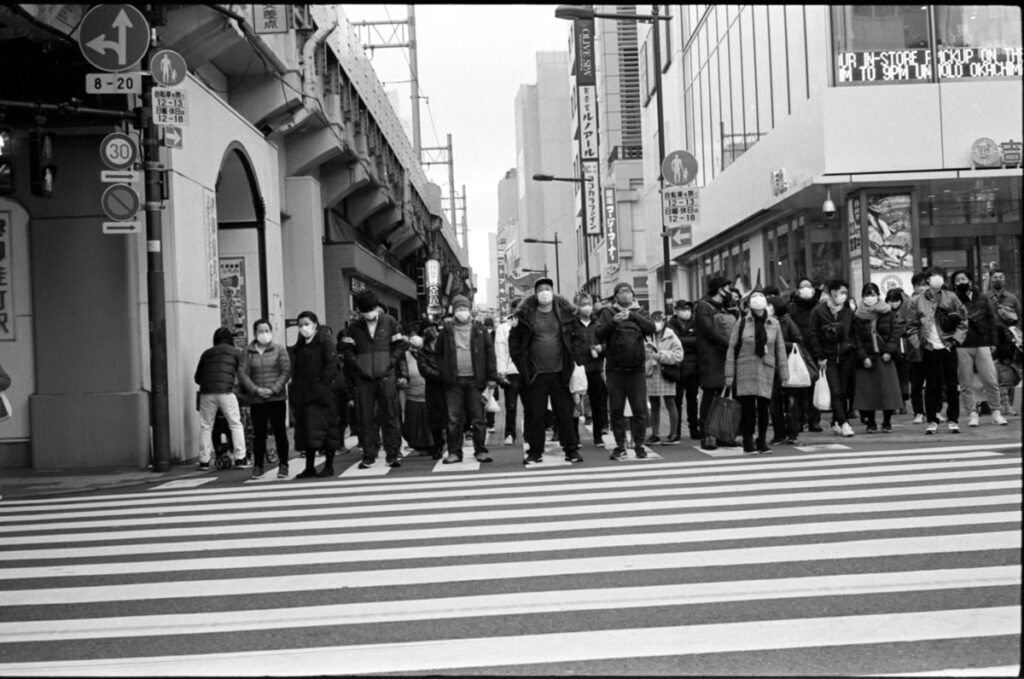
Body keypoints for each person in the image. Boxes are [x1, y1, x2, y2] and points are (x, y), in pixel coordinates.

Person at [509, 278, 585, 465]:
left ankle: (571, 450)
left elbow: (578, 336)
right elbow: (514, 341)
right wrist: (522, 364)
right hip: (535, 374)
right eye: (541, 289)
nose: (544, 292)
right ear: (535, 294)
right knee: (535, 415)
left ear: (553, 292)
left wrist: (574, 357)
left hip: (561, 372)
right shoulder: (525, 314)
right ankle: (535, 452)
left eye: (547, 289)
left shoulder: (566, 312)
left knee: (565, 414)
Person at [339, 290, 407, 469]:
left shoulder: (390, 322)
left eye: (370, 309)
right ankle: (369, 454)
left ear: (376, 307)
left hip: (386, 376)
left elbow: (399, 346)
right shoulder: (354, 327)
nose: (368, 313)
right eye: (364, 310)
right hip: (364, 378)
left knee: (390, 415)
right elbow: (347, 350)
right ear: (359, 310)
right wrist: (358, 367)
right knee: (366, 417)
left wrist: (391, 362)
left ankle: (392, 454)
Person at [432, 295, 497, 464]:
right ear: (454, 310)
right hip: (453, 381)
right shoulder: (446, 330)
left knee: (478, 418)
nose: (462, 312)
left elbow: (490, 354)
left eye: (465, 308)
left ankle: (481, 451)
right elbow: (437, 353)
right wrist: (443, 371)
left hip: (476, 381)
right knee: (454, 420)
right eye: (459, 308)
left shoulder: (480, 329)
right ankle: (454, 452)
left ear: (470, 310)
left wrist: (492, 377)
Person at [595, 281, 655, 460]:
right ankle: (620, 445)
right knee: (616, 409)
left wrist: (632, 316)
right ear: (615, 296)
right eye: (622, 292)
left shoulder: (641, 311)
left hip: (637, 368)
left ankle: (639, 445)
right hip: (614, 369)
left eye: (629, 291)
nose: (626, 295)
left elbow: (651, 328)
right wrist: (614, 322)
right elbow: (599, 334)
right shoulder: (608, 313)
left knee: (639, 409)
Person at [724, 288, 789, 454]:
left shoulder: (773, 323)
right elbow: (732, 348)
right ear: (749, 302)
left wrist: (784, 373)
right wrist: (729, 373)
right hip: (745, 368)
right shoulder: (742, 322)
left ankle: (762, 440)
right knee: (748, 409)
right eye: (754, 296)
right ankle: (748, 440)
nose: (758, 299)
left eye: (761, 296)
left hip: (766, 368)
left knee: (763, 407)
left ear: (766, 302)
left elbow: (780, 348)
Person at [906, 267, 969, 434]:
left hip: (948, 346)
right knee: (932, 386)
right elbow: (911, 326)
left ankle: (953, 419)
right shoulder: (917, 301)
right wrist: (919, 343)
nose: (937, 279)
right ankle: (932, 420)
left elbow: (963, 320)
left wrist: (955, 340)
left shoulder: (951, 297)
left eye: (940, 276)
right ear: (928, 280)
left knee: (952, 384)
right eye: (934, 276)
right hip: (929, 348)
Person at [287, 312, 341, 478]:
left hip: (321, 395)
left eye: (306, 323)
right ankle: (309, 467)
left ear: (315, 324)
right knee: (307, 432)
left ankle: (329, 465)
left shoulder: (325, 341)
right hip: (303, 395)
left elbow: (332, 366)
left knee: (326, 430)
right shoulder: (300, 345)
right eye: (300, 324)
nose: (303, 327)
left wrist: (321, 386)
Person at [950, 269, 1007, 426]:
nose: (960, 282)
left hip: (982, 343)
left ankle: (996, 411)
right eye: (957, 280)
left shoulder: (982, 297)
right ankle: (972, 413)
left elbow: (991, 320)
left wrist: (993, 343)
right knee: (965, 383)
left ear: (969, 280)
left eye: (963, 279)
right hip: (962, 345)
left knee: (991, 380)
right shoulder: (953, 299)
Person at [238, 319, 292, 478]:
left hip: (276, 398)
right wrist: (255, 390)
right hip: (257, 399)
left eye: (266, 330)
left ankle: (283, 464)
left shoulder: (279, 349)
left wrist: (273, 389)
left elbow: (286, 371)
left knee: (279, 431)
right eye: (260, 331)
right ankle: (258, 466)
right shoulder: (247, 352)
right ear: (255, 333)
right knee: (259, 433)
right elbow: (242, 374)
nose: (264, 334)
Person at [851, 283, 905, 433]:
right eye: (867, 294)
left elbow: (895, 333)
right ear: (862, 296)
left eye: (873, 294)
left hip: (885, 357)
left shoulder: (887, 312)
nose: (870, 297)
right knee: (869, 393)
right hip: (868, 358)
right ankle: (871, 422)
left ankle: (887, 421)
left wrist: (889, 351)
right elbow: (856, 339)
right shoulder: (857, 316)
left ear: (878, 296)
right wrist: (863, 357)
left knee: (887, 391)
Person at [694, 275, 739, 450]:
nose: (730, 292)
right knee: (710, 396)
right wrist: (731, 344)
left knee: (725, 395)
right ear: (720, 289)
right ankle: (707, 435)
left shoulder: (724, 307)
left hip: (724, 356)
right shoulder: (703, 307)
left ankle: (723, 434)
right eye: (727, 287)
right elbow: (710, 331)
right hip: (710, 357)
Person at [808, 279, 857, 437]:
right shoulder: (818, 311)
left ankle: (836, 421)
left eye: (845, 293)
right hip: (828, 358)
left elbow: (854, 332)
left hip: (845, 357)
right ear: (833, 292)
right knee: (835, 391)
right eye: (842, 292)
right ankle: (845, 423)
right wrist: (820, 356)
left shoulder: (847, 311)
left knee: (843, 392)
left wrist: (851, 345)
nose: (844, 296)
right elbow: (813, 335)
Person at [194, 326, 247, 470]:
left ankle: (204, 461)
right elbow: (243, 374)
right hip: (226, 392)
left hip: (207, 393)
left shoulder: (207, 353)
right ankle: (241, 458)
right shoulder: (236, 353)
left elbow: (197, 378)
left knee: (206, 426)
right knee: (235, 424)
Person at [572, 292, 608, 447]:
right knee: (575, 404)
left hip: (595, 367)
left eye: (588, 303)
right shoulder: (571, 323)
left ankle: (598, 436)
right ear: (577, 306)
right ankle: (574, 437)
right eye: (582, 304)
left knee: (597, 403)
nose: (586, 306)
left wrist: (601, 348)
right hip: (577, 368)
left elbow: (608, 342)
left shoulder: (598, 323)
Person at [787, 277, 824, 433]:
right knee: (799, 387)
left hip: (815, 350)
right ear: (797, 290)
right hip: (798, 351)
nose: (806, 289)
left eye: (809, 286)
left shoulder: (819, 306)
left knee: (815, 386)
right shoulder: (792, 307)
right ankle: (799, 420)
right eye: (802, 286)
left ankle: (814, 420)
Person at [769, 296, 806, 445]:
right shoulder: (767, 322)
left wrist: (781, 345)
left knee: (791, 402)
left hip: (787, 366)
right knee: (773, 403)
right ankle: (779, 434)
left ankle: (793, 433)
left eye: (770, 305)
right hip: (771, 367)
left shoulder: (788, 322)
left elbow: (799, 342)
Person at [645, 311, 684, 445]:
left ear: (664, 320)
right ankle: (655, 434)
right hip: (651, 371)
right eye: (654, 319)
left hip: (666, 371)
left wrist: (661, 355)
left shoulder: (671, 335)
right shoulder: (647, 335)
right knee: (654, 404)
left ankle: (673, 434)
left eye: (659, 319)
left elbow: (679, 355)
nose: (657, 322)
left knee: (669, 401)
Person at [986, 268, 1022, 415]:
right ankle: (999, 405)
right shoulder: (985, 297)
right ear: (990, 280)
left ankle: (1010, 406)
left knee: (1009, 372)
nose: (998, 279)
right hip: (991, 340)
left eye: (1001, 277)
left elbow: (1020, 317)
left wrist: (1015, 333)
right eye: (995, 277)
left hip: (1008, 340)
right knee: (994, 373)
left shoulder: (1012, 298)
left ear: (1004, 280)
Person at [400, 322, 437, 455]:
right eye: (413, 347)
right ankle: (419, 446)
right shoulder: (405, 356)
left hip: (428, 392)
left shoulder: (429, 353)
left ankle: (432, 445)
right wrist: (403, 379)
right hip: (412, 394)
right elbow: (403, 371)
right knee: (414, 423)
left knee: (429, 422)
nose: (415, 350)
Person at [667, 300, 701, 440]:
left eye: (688, 308)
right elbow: (670, 343)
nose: (686, 311)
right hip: (677, 368)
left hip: (693, 368)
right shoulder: (671, 325)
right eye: (682, 308)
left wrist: (681, 341)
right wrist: (687, 341)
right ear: (676, 310)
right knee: (676, 402)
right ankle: (676, 431)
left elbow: (698, 341)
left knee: (692, 400)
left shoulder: (696, 323)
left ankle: (694, 429)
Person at [494, 299, 523, 446]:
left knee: (531, 404)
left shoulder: (531, 325)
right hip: (511, 370)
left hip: (529, 370)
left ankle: (530, 432)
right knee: (511, 405)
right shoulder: (503, 328)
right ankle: (510, 433)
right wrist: (501, 372)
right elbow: (500, 351)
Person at [903, 273, 930, 423]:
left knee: (933, 383)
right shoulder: (908, 303)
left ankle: (935, 410)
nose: (922, 288)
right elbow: (902, 325)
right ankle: (919, 412)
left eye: (925, 284)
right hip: (915, 350)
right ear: (914, 287)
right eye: (919, 285)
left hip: (932, 348)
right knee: (916, 384)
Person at [885, 287, 912, 415]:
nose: (894, 303)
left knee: (903, 378)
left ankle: (903, 403)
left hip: (904, 349)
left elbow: (909, 327)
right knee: (891, 378)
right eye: (891, 300)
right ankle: (893, 404)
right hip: (890, 349)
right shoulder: (884, 313)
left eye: (896, 300)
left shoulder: (906, 311)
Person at [481, 316, 500, 434]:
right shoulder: (481, 336)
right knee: (482, 397)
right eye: (487, 327)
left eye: (490, 327)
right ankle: (483, 421)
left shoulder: (496, 336)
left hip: (492, 371)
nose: (488, 329)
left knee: (492, 396)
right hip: (482, 371)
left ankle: (491, 422)